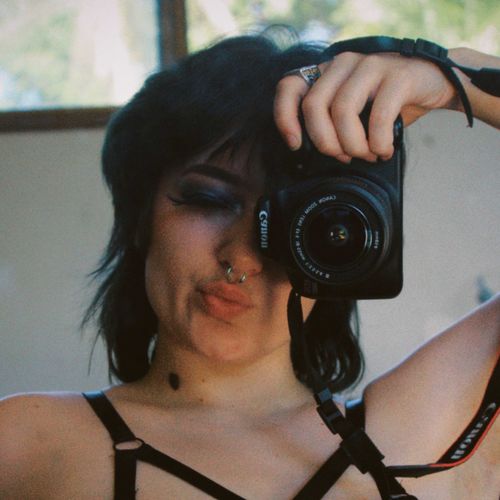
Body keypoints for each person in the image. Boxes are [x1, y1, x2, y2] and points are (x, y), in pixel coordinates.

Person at [0, 30, 499, 499]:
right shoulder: (27, 441)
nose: (241, 256)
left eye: (294, 221)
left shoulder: (416, 432)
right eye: (209, 199)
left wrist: (451, 76)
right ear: (140, 217)